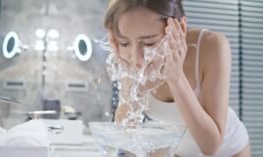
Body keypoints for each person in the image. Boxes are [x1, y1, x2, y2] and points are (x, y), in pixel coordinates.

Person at [105, 0, 251, 156]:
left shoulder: (211, 45)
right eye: (124, 43)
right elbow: (125, 138)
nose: (137, 58)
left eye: (149, 43)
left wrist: (176, 76)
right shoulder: (132, 62)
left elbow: (210, 146)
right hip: (180, 151)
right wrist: (129, 82)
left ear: (180, 28)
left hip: (229, 150)